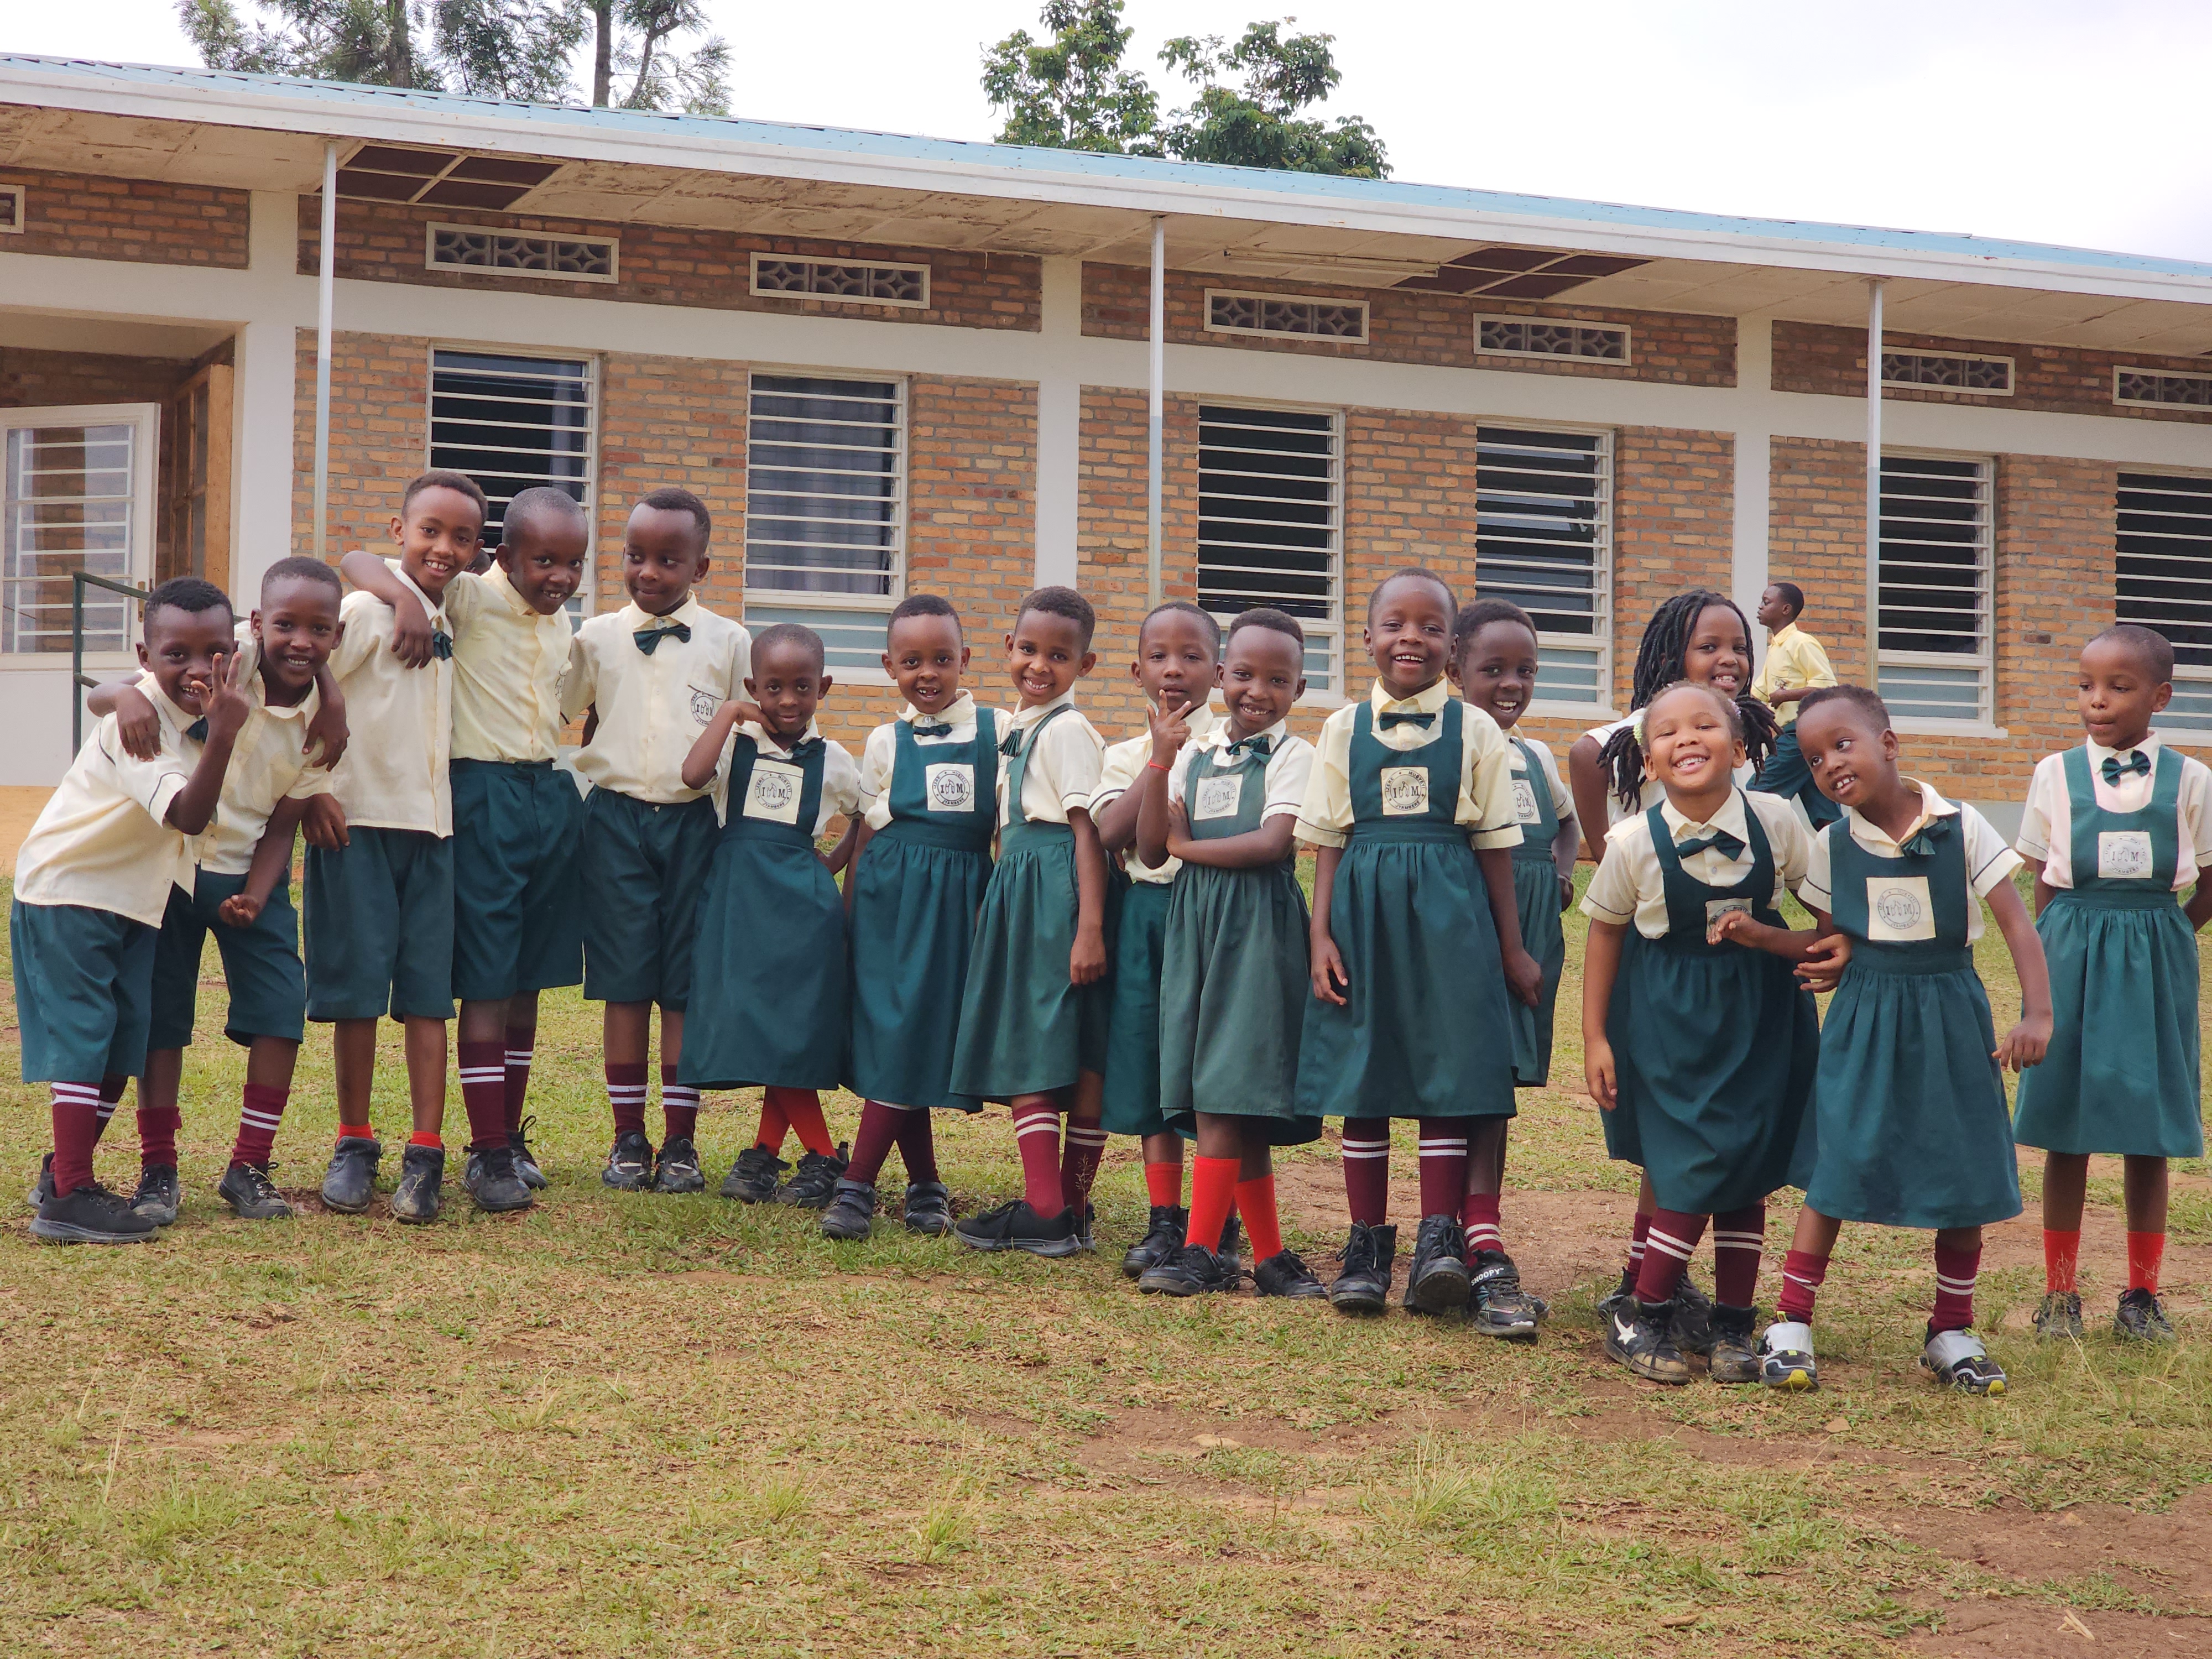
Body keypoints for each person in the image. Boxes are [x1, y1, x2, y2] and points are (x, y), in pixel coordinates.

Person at [1759, 686, 2051, 1395]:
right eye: (1813, 757)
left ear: (1888, 744)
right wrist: (1827, 955)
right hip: (1864, 1017)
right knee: (1839, 1153)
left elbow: (2015, 925)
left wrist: (2036, 1016)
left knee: (1963, 1165)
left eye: (1842, 744)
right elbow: (1836, 936)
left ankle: (1950, 1328)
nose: (1829, 763)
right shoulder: (1830, 845)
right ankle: (1790, 1320)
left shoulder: (1963, 825)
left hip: (1950, 1014)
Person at [1293, 569, 1542, 1316]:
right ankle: (1366, 1243)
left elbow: (1496, 845)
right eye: (1396, 624)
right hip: (1363, 914)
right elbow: (1328, 843)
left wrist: (1511, 947)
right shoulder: (1340, 729)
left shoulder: (1477, 731)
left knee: (1446, 1071)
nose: (1413, 638)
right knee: (1364, 1073)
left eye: (1431, 627)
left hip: (1449, 914)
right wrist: (1320, 937)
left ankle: (1440, 1241)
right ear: (1367, 637)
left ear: (1453, 645)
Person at [339, 487, 589, 1211]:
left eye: (574, 564)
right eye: (544, 560)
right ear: (500, 556)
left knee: (529, 978)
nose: (560, 577)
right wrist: (412, 603)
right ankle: (485, 1152)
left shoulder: (564, 619)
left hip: (549, 795)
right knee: (486, 973)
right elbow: (359, 559)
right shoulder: (471, 598)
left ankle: (508, 1133)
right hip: (482, 793)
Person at [76, 559, 348, 1223]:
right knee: (159, 1020)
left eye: (319, 630)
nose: (300, 642)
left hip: (244, 874)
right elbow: (107, 694)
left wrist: (258, 894)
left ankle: (249, 1165)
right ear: (258, 628)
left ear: (336, 636)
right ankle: (157, 1168)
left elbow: (284, 825)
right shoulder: (229, 658)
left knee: (283, 1010)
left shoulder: (319, 733)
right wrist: (129, 696)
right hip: (167, 870)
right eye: (285, 626)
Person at [1582, 680, 1834, 1385]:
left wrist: (1827, 947)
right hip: (1668, 1017)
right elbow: (1604, 934)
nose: (1686, 738)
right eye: (1667, 734)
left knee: (1749, 1166)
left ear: (1744, 748)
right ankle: (1645, 1313)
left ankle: (1730, 1326)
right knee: (1687, 1165)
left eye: (1705, 726)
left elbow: (1826, 913)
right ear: (1650, 765)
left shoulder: (1779, 819)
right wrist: (1595, 1037)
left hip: (1762, 1013)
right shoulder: (1631, 841)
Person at [1567, 587, 1779, 1343]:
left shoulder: (1752, 743)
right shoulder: (1623, 743)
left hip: (1742, 973)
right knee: (1674, 1131)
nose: (1729, 659)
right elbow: (1603, 852)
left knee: (1718, 1134)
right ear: (1667, 657)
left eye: (1740, 648)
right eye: (1708, 646)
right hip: (1659, 954)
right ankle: (1646, 1284)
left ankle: (1650, 1276)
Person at [14, 576, 252, 1243]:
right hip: (71, 891)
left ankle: (63, 1171)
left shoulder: (208, 689)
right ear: (146, 658)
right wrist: (221, 733)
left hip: (131, 900)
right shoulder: (141, 725)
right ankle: (69, 1197)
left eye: (215, 654)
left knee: (126, 1037)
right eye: (176, 654)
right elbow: (189, 813)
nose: (198, 669)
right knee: (88, 1036)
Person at [2012, 624, 2208, 1344]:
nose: (2098, 701)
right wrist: (2052, 963)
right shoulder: (2052, 773)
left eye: (2119, 688)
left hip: (2157, 951)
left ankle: (2142, 1298)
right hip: (2071, 947)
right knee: (2067, 1126)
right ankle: (2060, 1294)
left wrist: (2169, 937)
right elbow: (2041, 879)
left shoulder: (2192, 779)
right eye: (2087, 685)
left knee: (2146, 1127)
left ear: (2159, 696)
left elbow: (2209, 882)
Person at [559, 488, 751, 1194]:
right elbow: (558, 705)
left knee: (683, 987)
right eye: (636, 556)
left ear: (700, 567)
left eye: (669, 559)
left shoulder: (731, 641)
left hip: (698, 826)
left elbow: (757, 735)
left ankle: (680, 1140)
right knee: (624, 985)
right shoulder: (598, 636)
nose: (649, 571)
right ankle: (626, 1139)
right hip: (613, 823)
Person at [305, 469, 482, 1223]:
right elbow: (304, 680)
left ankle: (426, 1153)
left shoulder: (459, 611)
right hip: (357, 823)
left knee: (425, 999)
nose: (443, 547)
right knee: (354, 990)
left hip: (433, 831)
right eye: (429, 531)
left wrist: (417, 596)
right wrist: (309, 789)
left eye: (462, 537)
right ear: (400, 528)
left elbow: (361, 554)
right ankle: (354, 1142)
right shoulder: (363, 611)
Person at [1135, 608, 1325, 1298]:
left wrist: (1189, 847)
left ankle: (1200, 1250)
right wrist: (1159, 759)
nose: (1258, 691)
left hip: (1257, 927)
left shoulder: (1295, 756)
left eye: (1278, 680)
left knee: (1228, 1087)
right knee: (1226, 1093)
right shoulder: (1193, 752)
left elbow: (1273, 843)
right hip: (1196, 925)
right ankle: (1270, 1260)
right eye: (1243, 674)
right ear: (1220, 675)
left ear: (1299, 690)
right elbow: (1151, 846)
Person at [821, 596, 996, 1240]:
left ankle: (873, 1184)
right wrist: (848, 915)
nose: (928, 673)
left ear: (965, 660)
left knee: (916, 1036)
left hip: (956, 903)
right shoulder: (882, 739)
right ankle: (894, 1186)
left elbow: (1002, 831)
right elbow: (865, 833)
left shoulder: (996, 730)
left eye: (942, 660)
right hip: (890, 901)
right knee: (898, 1034)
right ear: (889, 664)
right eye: (913, 661)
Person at [947, 586, 1112, 1257]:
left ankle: (1048, 1209)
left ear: (1086, 664)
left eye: (1058, 655)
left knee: (1036, 1042)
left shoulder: (1068, 730)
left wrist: (1090, 927)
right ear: (1006, 649)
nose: (1039, 665)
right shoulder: (1017, 727)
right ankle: (1066, 1210)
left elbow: (1087, 833)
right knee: (1040, 1039)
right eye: (1027, 649)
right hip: (1020, 885)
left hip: (1056, 890)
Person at [677, 624, 861, 1202]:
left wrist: (828, 865)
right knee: (758, 1026)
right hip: (739, 905)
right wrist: (731, 712)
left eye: (802, 688)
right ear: (755, 687)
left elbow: (869, 816)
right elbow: (690, 775)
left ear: (823, 688)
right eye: (773, 688)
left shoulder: (833, 758)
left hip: (802, 913)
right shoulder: (737, 745)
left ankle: (819, 1157)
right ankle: (770, 1154)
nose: (787, 701)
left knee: (787, 1033)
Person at [1089, 600, 1234, 1279]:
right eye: (1158, 657)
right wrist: (1157, 758)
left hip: (1217, 913)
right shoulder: (1122, 751)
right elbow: (1111, 837)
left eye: (1191, 657)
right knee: (1152, 1057)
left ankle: (1221, 1220)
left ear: (1220, 670)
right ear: (1135, 670)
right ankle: (1162, 1220)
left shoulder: (1240, 742)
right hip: (1149, 915)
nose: (1173, 670)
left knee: (1211, 1062)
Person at [1448, 597, 1577, 1338]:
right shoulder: (1459, 748)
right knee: (1477, 1078)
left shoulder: (1534, 753)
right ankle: (1471, 1232)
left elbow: (1565, 825)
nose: (1510, 683)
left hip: (1534, 931)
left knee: (1503, 1082)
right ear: (1455, 666)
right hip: (1484, 933)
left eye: (1524, 669)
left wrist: (1561, 873)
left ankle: (1481, 1224)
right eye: (1492, 668)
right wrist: (1506, 944)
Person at [1750, 582, 1841, 826]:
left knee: (1754, 796)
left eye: (1766, 602)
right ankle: (1843, 858)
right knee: (1825, 816)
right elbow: (1757, 693)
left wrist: (1785, 696)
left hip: (1798, 734)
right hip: (1796, 738)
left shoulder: (1801, 642)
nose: (1759, 607)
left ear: (1786, 609)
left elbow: (1827, 687)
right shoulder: (1776, 647)